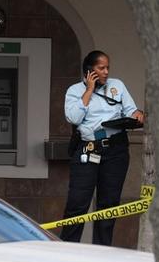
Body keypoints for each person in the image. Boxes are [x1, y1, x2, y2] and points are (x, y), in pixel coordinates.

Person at [61, 50, 144, 245]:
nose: (106, 72)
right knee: (77, 203)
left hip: (115, 149)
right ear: (89, 71)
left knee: (108, 205)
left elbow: (131, 110)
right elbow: (73, 118)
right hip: (88, 148)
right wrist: (89, 90)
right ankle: (67, 250)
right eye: (101, 68)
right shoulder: (74, 90)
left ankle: (102, 250)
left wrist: (138, 115)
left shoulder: (117, 86)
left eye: (107, 68)